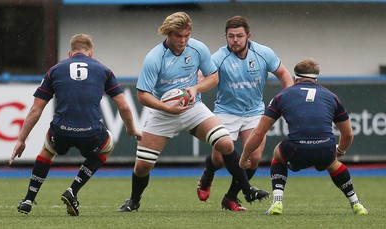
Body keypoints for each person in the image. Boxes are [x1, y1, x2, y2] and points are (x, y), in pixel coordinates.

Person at [117, 12, 268, 212]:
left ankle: (247, 191)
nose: (183, 40)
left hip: (193, 108)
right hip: (163, 113)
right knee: (143, 166)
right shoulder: (154, 57)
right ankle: (134, 201)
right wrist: (167, 107)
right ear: (168, 34)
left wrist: (195, 89)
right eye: (179, 36)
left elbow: (212, 77)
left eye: (187, 35)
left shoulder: (198, 48)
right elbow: (142, 95)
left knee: (224, 142)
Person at [9, 34, 142, 216]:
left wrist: (21, 140)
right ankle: (73, 190)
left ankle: (28, 199)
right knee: (107, 145)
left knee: (47, 150)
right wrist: (131, 129)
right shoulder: (104, 70)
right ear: (91, 52)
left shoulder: (55, 70)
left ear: (70, 53)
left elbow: (35, 110)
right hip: (91, 132)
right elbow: (124, 106)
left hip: (61, 131)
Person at [239, 58, 368, 215]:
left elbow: (259, 132)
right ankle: (356, 203)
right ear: (316, 79)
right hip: (325, 148)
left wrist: (244, 157)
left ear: (295, 79)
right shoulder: (331, 96)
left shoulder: (282, 96)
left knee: (277, 154)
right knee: (333, 163)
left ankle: (277, 202)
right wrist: (340, 150)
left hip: (296, 149)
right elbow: (348, 134)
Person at [196, 16, 293, 211]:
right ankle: (208, 173)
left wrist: (287, 100)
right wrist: (195, 89)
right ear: (226, 36)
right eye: (230, 36)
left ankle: (231, 197)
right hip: (226, 112)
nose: (235, 40)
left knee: (253, 158)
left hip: (254, 112)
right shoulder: (218, 57)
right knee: (219, 160)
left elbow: (284, 75)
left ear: (248, 36)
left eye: (239, 36)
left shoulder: (264, 53)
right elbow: (201, 76)